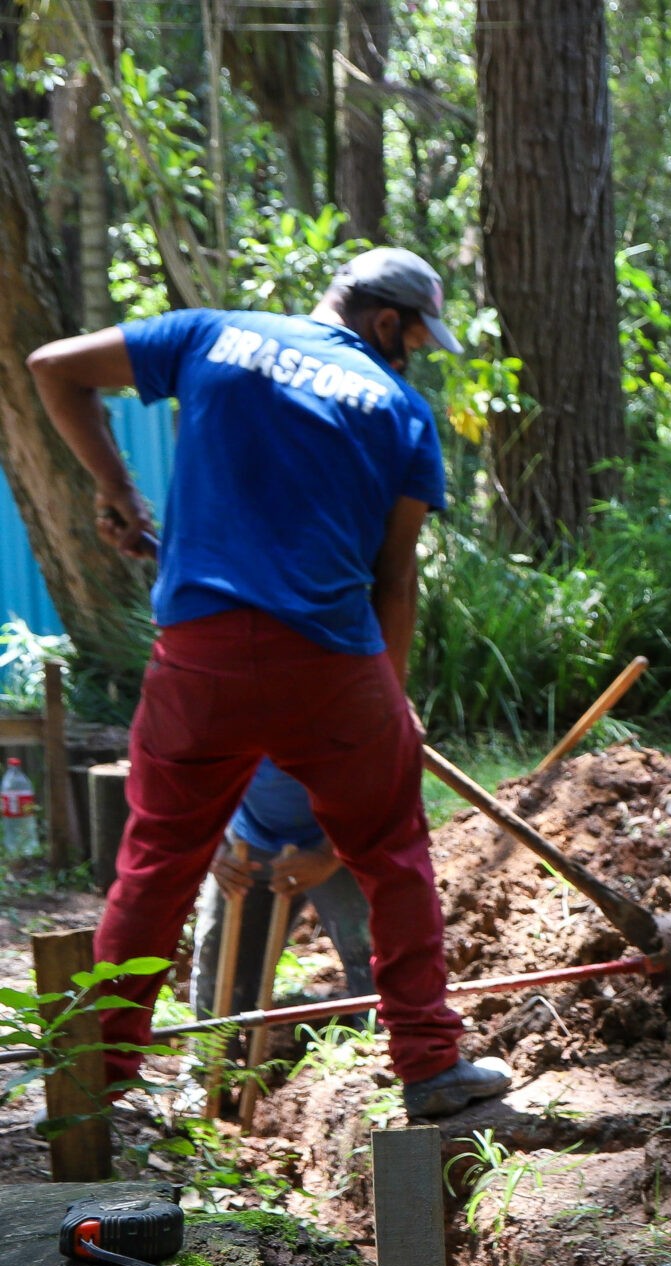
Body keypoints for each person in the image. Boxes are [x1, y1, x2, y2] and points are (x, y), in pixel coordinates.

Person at [28, 247, 511, 1119]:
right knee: (394, 857)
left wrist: (119, 491)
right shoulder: (399, 409)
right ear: (387, 324)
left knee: (155, 865)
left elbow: (52, 368)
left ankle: (96, 1085)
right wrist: (389, 707)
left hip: (200, 660)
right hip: (331, 663)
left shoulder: (209, 335)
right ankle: (430, 1065)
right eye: (414, 340)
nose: (412, 358)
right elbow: (392, 579)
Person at [194, 759, 376, 1018]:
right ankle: (216, 1055)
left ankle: (382, 1044)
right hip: (245, 841)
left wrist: (327, 857)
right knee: (219, 964)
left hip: (344, 835)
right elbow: (183, 774)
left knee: (370, 955)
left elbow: (383, 778)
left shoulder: (351, 721)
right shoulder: (211, 721)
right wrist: (211, 844)